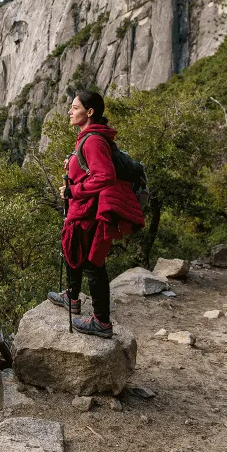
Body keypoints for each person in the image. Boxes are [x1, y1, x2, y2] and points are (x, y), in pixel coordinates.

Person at [47, 91, 144, 338]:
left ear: (89, 112)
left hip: (91, 210)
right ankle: (72, 296)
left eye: (74, 107)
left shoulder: (93, 141)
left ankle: (101, 322)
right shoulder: (88, 138)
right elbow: (90, 170)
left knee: (92, 263)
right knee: (72, 247)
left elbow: (104, 176)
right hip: (83, 208)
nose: (70, 112)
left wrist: (73, 190)